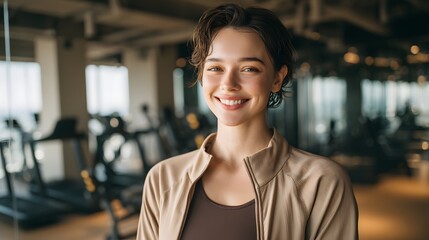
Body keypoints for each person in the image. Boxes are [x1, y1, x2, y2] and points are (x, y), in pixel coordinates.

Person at [137, 3, 358, 240]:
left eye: (249, 68)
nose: (229, 83)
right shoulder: (163, 178)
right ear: (201, 75)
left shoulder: (321, 182)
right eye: (215, 68)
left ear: (277, 78)